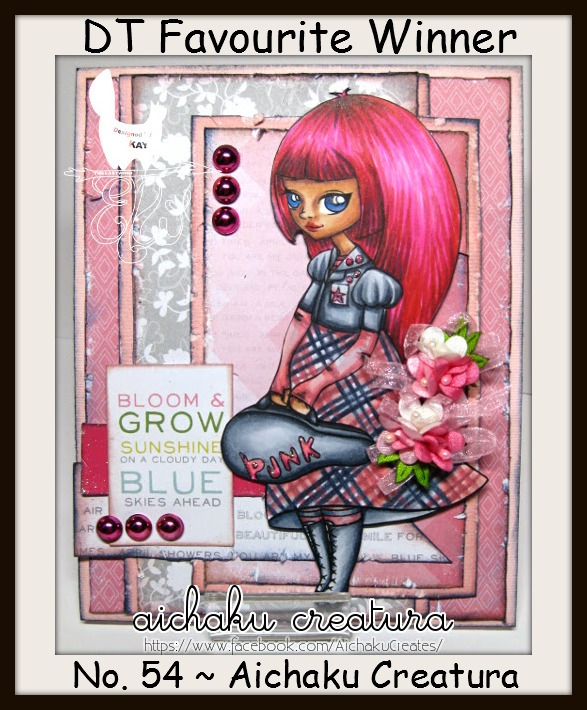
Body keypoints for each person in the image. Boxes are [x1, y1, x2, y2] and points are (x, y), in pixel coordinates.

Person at [264, 92, 486, 593]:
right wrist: (282, 375)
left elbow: (365, 347)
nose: (309, 216)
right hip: (310, 363)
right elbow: (300, 319)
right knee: (306, 483)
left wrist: (318, 383)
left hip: (352, 379)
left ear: (382, 193)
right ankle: (326, 579)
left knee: (343, 485)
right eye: (296, 199)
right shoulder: (323, 265)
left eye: (332, 200)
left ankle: (336, 585)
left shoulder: (372, 281)